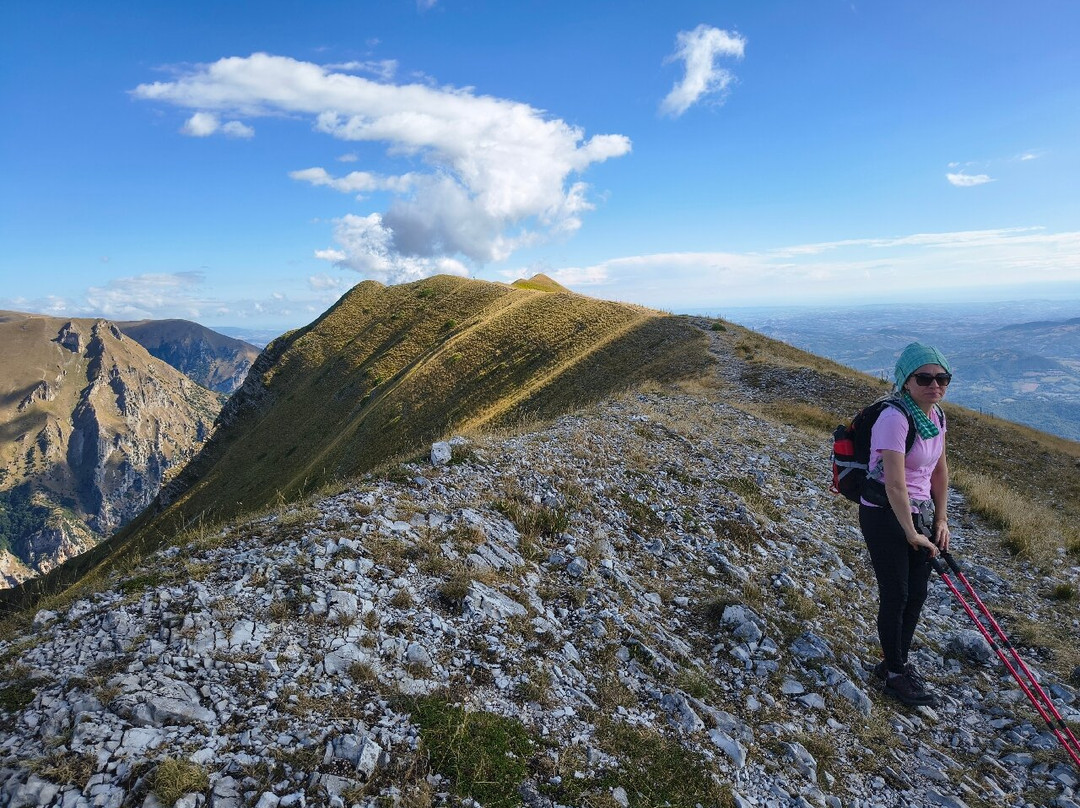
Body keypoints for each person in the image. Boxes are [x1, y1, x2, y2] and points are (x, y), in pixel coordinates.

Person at [861, 342, 952, 707]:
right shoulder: (894, 419)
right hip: (884, 511)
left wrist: (941, 519)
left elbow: (940, 471)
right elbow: (895, 483)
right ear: (906, 381)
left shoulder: (937, 417)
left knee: (917, 592)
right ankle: (896, 674)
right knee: (896, 592)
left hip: (919, 513)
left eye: (942, 378)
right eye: (925, 378)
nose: (935, 385)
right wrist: (912, 531)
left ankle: (894, 663)